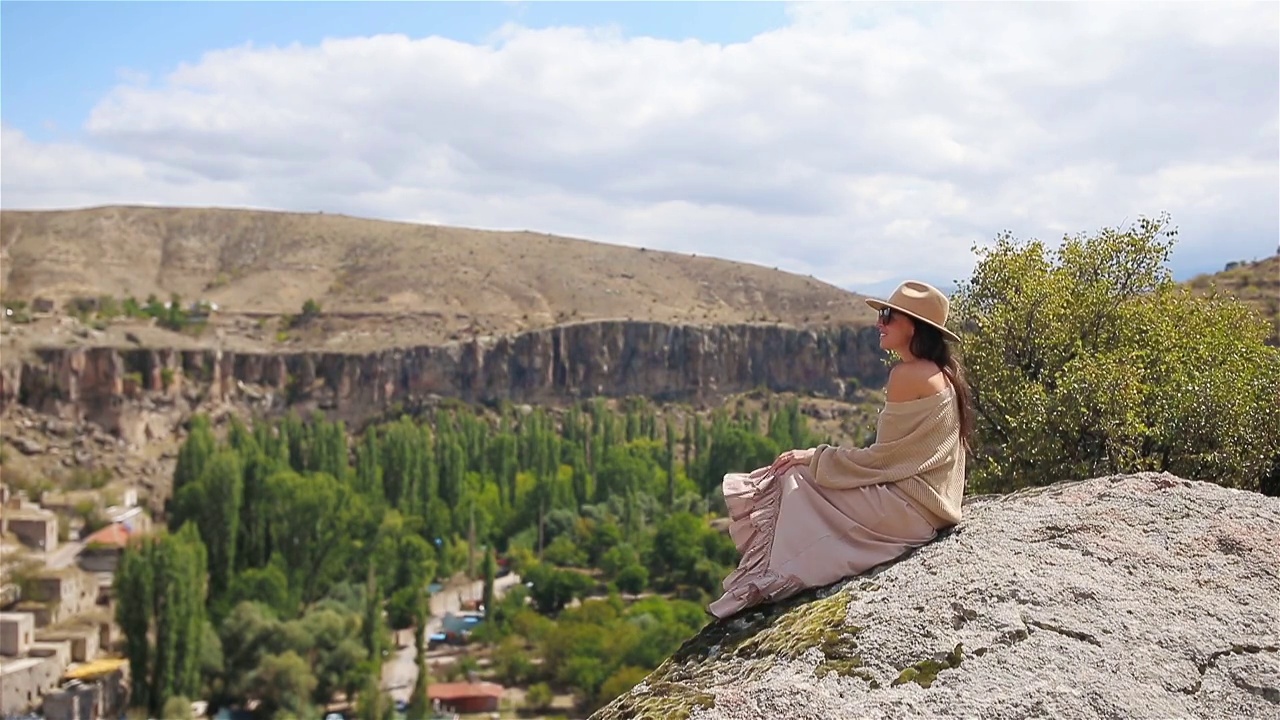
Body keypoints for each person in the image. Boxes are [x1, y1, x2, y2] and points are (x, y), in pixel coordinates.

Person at [707, 280, 974, 619]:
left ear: (913, 326)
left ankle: (763, 582)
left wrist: (815, 456)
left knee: (793, 476)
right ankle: (768, 577)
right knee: (803, 475)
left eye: (889, 316)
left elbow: (881, 460)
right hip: (927, 510)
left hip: (907, 510)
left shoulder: (907, 375)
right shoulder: (945, 375)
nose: (880, 323)